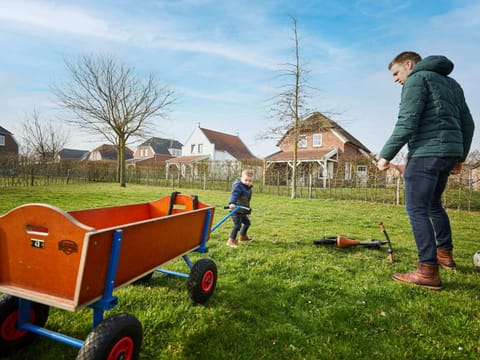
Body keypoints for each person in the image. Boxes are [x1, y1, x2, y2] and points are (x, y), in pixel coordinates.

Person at [377, 51, 475, 290]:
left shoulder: (416, 80)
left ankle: (427, 271)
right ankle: (445, 256)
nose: (395, 79)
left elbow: (407, 121)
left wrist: (385, 155)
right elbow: (468, 123)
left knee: (416, 208)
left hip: (426, 153)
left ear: (409, 65)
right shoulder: (452, 84)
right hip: (447, 154)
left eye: (396, 73)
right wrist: (459, 157)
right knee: (433, 205)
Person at [226, 169, 254, 248]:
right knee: (237, 225)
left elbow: (247, 201)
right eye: (246, 180)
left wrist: (248, 212)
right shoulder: (238, 186)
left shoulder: (248, 188)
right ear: (241, 178)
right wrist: (232, 203)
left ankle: (243, 237)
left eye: (250, 181)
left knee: (247, 223)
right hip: (235, 210)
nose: (248, 182)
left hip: (243, 211)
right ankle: (231, 241)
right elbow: (234, 194)